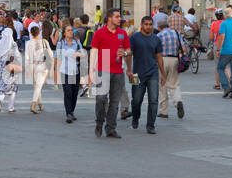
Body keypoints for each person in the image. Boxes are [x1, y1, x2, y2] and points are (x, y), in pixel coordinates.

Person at [90, 8, 130, 137]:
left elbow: (129, 50)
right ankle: (99, 122)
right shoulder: (99, 33)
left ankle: (111, 128)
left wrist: (124, 53)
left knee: (115, 101)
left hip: (118, 69)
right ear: (109, 18)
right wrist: (91, 71)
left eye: (120, 17)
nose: (120, 19)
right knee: (100, 98)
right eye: (117, 16)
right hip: (104, 65)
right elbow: (94, 51)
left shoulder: (122, 33)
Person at [129, 16, 164, 133]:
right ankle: (135, 117)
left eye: (150, 24)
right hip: (136, 74)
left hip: (153, 73)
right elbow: (129, 54)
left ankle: (150, 125)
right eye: (146, 24)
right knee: (136, 100)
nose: (148, 27)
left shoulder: (156, 39)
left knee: (153, 100)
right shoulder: (134, 38)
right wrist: (129, 70)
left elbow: (159, 57)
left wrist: (163, 74)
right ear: (141, 25)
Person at [54, 24, 84, 123]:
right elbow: (57, 57)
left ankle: (71, 111)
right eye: (68, 30)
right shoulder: (61, 44)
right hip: (64, 71)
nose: (70, 32)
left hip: (75, 71)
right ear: (64, 32)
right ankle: (68, 114)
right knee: (68, 92)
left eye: (71, 30)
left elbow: (83, 54)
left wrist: (78, 54)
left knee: (75, 93)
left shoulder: (77, 42)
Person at [0, 23, 23, 113]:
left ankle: (0, 100)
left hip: (2, 69)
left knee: (2, 87)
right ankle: (11, 107)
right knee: (13, 88)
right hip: (12, 69)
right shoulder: (13, 45)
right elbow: (18, 56)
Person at [157, 17, 183, 120]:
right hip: (174, 60)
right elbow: (183, 48)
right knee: (174, 84)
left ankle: (164, 111)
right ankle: (178, 101)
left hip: (162, 60)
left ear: (159, 27)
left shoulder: (159, 35)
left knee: (162, 85)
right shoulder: (176, 33)